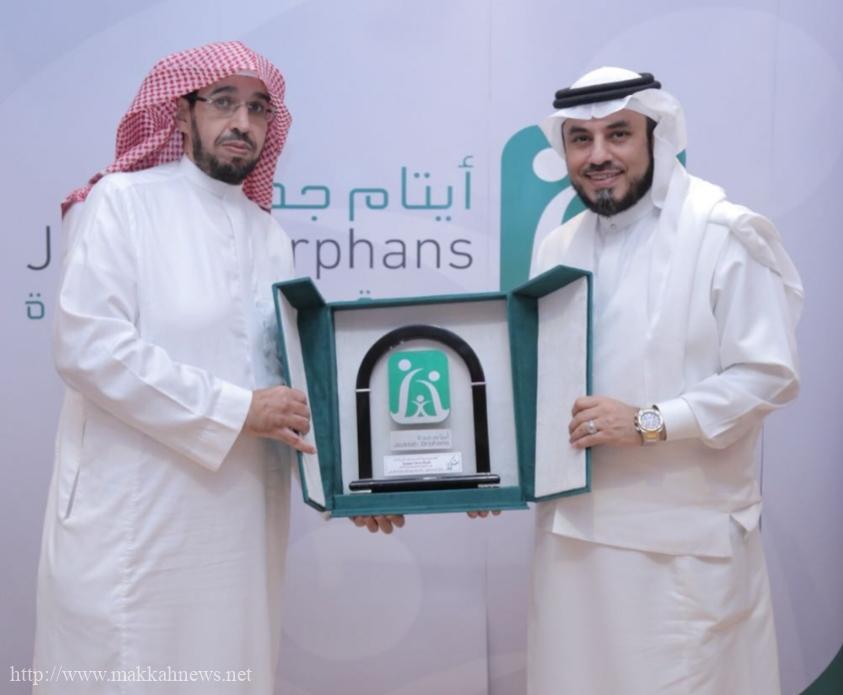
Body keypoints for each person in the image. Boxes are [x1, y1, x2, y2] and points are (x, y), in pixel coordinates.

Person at [33, 41, 319, 694]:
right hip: (135, 522)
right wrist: (236, 409)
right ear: (181, 112)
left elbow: (291, 384)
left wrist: (358, 483)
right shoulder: (121, 202)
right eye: (223, 102)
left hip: (242, 527)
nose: (242, 122)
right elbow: (89, 346)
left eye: (258, 108)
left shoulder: (270, 237)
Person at [528, 67, 802, 694]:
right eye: (580, 139)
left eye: (618, 134)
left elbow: (768, 375)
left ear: (656, 136)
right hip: (571, 545)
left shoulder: (723, 231)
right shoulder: (557, 247)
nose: (598, 155)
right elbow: (541, 384)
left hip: (683, 554)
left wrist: (648, 422)